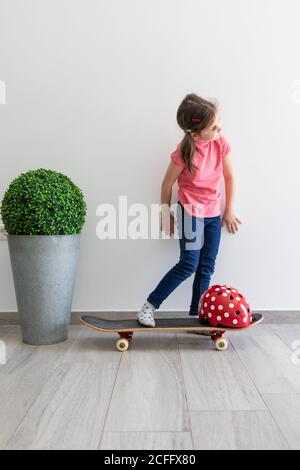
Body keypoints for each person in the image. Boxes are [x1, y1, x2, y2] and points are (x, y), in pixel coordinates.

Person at [137, 93, 242, 327]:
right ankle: (148, 307)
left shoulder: (220, 144)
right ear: (196, 133)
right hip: (190, 213)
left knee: (207, 266)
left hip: (213, 214)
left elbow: (229, 176)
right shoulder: (184, 152)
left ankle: (198, 315)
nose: (220, 128)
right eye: (214, 126)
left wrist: (229, 209)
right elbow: (167, 184)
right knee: (188, 264)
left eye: (218, 122)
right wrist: (166, 214)